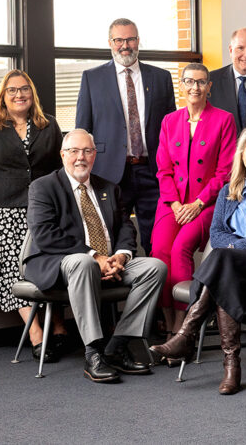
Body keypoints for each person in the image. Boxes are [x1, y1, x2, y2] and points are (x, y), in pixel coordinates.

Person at [149, 125, 246, 394]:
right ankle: (231, 365)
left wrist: (237, 250)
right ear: (241, 155)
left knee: (222, 261)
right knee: (225, 268)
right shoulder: (229, 190)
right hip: (238, 263)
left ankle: (187, 334)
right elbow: (216, 233)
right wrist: (241, 252)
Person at [25, 129, 167, 383]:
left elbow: (125, 227)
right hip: (61, 262)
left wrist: (121, 257)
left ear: (94, 155)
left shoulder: (108, 188)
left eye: (87, 151)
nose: (81, 157)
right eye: (74, 151)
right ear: (62, 155)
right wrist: (95, 256)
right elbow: (45, 235)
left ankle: (118, 344)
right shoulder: (43, 187)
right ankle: (93, 352)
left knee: (154, 267)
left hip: (109, 262)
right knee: (83, 263)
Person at [0, 70, 67, 361]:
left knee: (51, 266)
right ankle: (35, 334)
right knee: (12, 271)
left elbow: (60, 171)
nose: (19, 95)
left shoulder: (49, 125)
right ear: (3, 96)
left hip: (42, 212)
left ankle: (59, 325)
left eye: (24, 90)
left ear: (32, 94)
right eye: (12, 90)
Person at [75, 17, 176, 255]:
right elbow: (83, 130)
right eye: (119, 40)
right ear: (110, 43)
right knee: (110, 236)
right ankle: (115, 289)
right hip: (108, 173)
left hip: (152, 172)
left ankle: (156, 288)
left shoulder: (161, 78)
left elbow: (172, 130)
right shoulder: (92, 78)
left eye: (130, 39)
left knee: (158, 240)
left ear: (138, 41)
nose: (125, 45)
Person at [151, 63, 237, 337]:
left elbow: (225, 173)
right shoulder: (169, 121)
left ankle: (182, 326)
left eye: (201, 82)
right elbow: (163, 170)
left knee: (180, 249)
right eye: (189, 81)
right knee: (160, 252)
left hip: (207, 203)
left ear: (209, 87)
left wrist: (197, 204)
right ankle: (166, 322)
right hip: (172, 203)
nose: (195, 87)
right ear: (181, 85)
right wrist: (176, 205)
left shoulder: (224, 120)